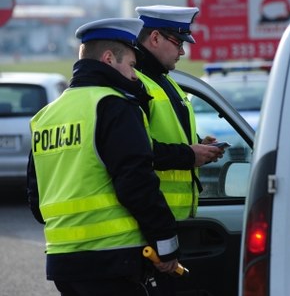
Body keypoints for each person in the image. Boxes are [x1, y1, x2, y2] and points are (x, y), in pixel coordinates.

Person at [26, 18, 181, 296]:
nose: (135, 76)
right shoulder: (114, 106)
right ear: (109, 58)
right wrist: (166, 243)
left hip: (63, 261)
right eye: (132, 66)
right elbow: (137, 182)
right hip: (114, 259)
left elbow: (36, 200)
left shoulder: (46, 116)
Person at [134, 5, 224, 221]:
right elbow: (135, 153)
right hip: (152, 219)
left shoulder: (165, 81)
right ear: (155, 38)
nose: (182, 52)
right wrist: (191, 155)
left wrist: (200, 145)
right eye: (178, 42)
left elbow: (165, 135)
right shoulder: (135, 84)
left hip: (172, 218)